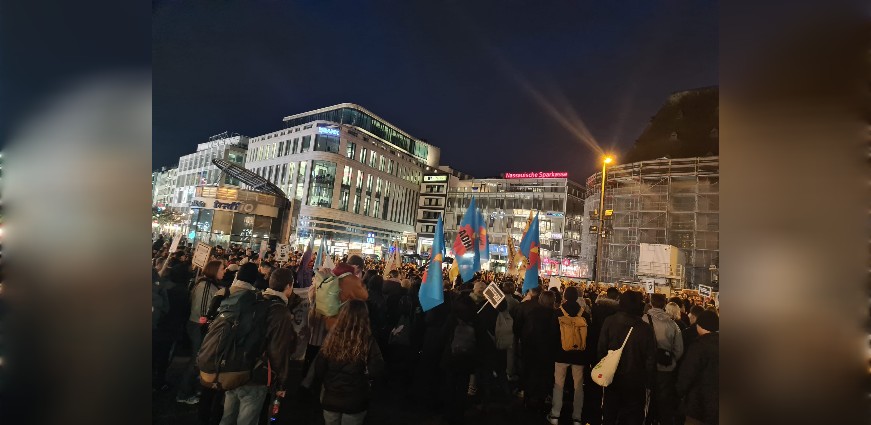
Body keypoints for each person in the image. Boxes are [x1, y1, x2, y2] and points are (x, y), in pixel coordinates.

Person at [218, 264, 297, 425]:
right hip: (255, 374)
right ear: (289, 286)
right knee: (247, 420)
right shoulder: (281, 312)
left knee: (227, 417)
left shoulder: (254, 298)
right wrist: (281, 383)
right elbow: (278, 350)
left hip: (234, 365)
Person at [311, 300, 385, 425]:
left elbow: (319, 367)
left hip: (331, 396)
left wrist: (328, 381)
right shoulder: (367, 340)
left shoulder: (332, 337)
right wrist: (365, 374)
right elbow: (377, 368)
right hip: (355, 398)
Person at [598, 290, 656, 425]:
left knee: (610, 413)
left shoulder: (609, 321)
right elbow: (650, 358)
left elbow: (601, 348)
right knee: (632, 416)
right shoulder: (645, 328)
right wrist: (649, 381)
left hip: (612, 376)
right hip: (636, 380)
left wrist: (602, 368)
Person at [177, 260, 225, 404]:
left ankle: (193, 388)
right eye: (222, 269)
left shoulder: (209, 285)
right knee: (196, 360)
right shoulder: (205, 286)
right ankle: (183, 393)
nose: (224, 271)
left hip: (199, 326)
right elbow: (203, 312)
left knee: (199, 359)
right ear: (214, 270)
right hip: (198, 326)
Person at [548, 287, 590, 425]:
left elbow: (552, 335)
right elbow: (589, 336)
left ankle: (555, 415)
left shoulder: (558, 312)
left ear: (564, 296)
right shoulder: (584, 314)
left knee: (558, 384)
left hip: (561, 354)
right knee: (578, 386)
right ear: (577, 297)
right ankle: (577, 417)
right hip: (579, 355)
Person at [642, 294, 685, 425]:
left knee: (646, 398)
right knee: (663, 400)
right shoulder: (673, 324)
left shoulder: (643, 319)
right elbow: (679, 349)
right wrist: (670, 360)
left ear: (651, 303)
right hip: (666, 368)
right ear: (664, 304)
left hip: (646, 366)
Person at [676, 310, 719, 425]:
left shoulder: (699, 346)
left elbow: (687, 375)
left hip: (698, 405)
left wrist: (678, 393)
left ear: (701, 326)